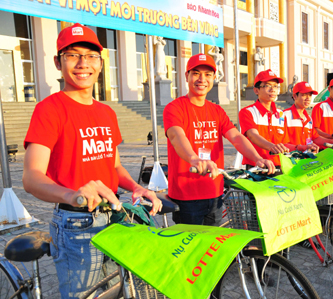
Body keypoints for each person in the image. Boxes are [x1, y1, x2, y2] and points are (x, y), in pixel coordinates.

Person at [21, 23, 162, 298]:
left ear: (100, 63)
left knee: (120, 290)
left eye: (91, 55)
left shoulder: (106, 113)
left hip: (116, 216)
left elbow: (115, 165)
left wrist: (136, 187)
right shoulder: (49, 110)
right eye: (72, 54)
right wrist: (74, 195)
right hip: (76, 222)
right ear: (57, 62)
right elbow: (31, 177)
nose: (82, 63)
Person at [163, 54, 274, 225]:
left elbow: (236, 137)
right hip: (186, 195)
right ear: (187, 76)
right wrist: (194, 159)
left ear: (214, 78)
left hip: (215, 193)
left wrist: (258, 158)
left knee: (213, 249)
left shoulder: (216, 110)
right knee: (192, 249)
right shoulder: (174, 108)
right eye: (196, 73)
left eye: (208, 75)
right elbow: (176, 136)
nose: (202, 79)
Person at [239, 69, 293, 167]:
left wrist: (301, 148)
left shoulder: (281, 114)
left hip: (278, 167)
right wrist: (272, 147)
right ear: (256, 90)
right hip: (257, 167)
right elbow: (253, 136)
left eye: (275, 86)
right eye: (267, 86)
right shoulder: (247, 112)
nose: (273, 90)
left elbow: (285, 143)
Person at [283, 81, 333, 152]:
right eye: (304, 95)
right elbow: (281, 142)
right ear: (295, 96)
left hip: (305, 159)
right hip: (289, 159)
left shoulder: (308, 118)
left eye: (310, 95)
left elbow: (315, 138)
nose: (308, 98)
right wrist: (301, 148)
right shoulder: (284, 115)